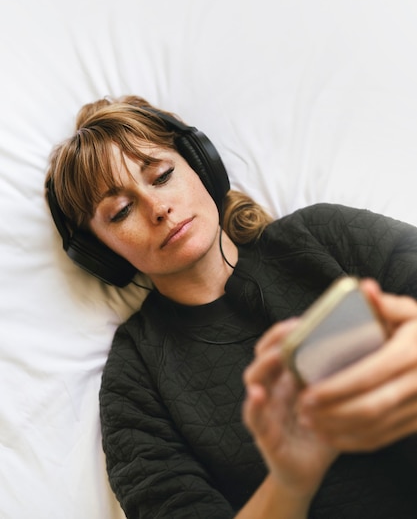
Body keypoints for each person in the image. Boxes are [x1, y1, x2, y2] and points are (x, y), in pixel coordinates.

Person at [45, 94, 417, 519]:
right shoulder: (136, 378)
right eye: (122, 211)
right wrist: (289, 482)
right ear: (102, 253)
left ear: (201, 166)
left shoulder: (325, 235)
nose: (158, 209)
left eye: (162, 175)